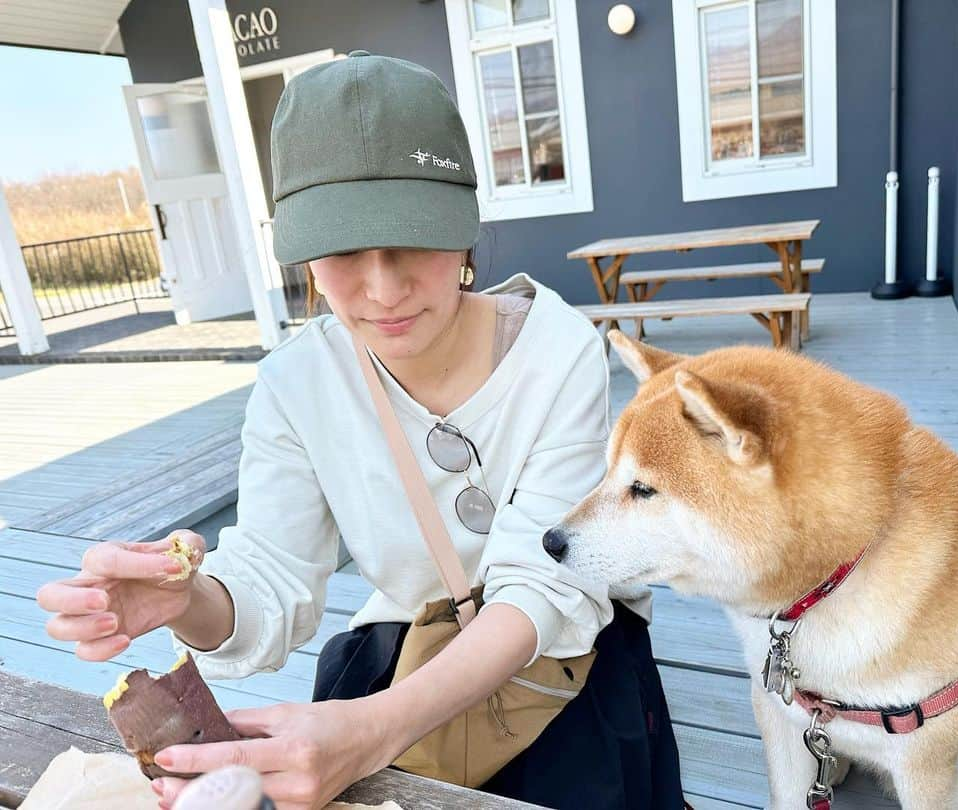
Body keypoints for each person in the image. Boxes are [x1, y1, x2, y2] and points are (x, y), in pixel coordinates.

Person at [36, 51, 683, 810]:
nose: (383, 289)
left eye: (412, 237)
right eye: (342, 249)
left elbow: (544, 586)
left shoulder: (557, 350)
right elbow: (271, 573)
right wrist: (187, 600)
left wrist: (373, 731)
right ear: (305, 256)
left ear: (463, 231)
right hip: (405, 640)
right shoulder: (296, 381)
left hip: (558, 655)